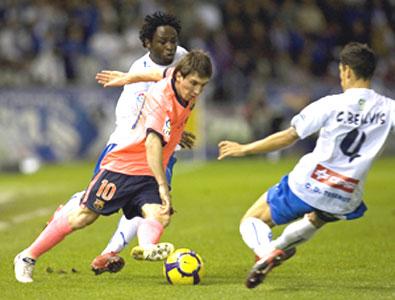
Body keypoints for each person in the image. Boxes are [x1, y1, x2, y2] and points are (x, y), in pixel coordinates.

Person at [14, 49, 213, 283]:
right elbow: (152, 144)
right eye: (194, 84)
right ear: (180, 77)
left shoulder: (176, 79)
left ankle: (147, 247)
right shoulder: (162, 99)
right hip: (124, 165)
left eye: (203, 85)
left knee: (160, 212)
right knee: (83, 216)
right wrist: (162, 185)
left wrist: (129, 78)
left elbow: (159, 73)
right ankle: (27, 256)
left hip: (148, 170)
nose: (197, 91)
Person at [218, 42, 395, 289]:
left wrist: (246, 148)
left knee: (252, 220)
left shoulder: (331, 104)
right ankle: (277, 249)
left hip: (310, 183)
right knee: (317, 217)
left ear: (346, 71)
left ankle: (266, 250)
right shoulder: (389, 108)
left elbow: (289, 136)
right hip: (347, 194)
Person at [44, 11, 193, 276]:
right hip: (128, 144)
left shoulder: (182, 56)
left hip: (161, 147)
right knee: (91, 206)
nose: (170, 46)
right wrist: (166, 131)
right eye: (163, 41)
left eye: (173, 40)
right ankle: (68, 210)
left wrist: (173, 132)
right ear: (148, 43)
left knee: (148, 205)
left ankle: (108, 253)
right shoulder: (140, 71)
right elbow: (145, 116)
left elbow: (184, 86)